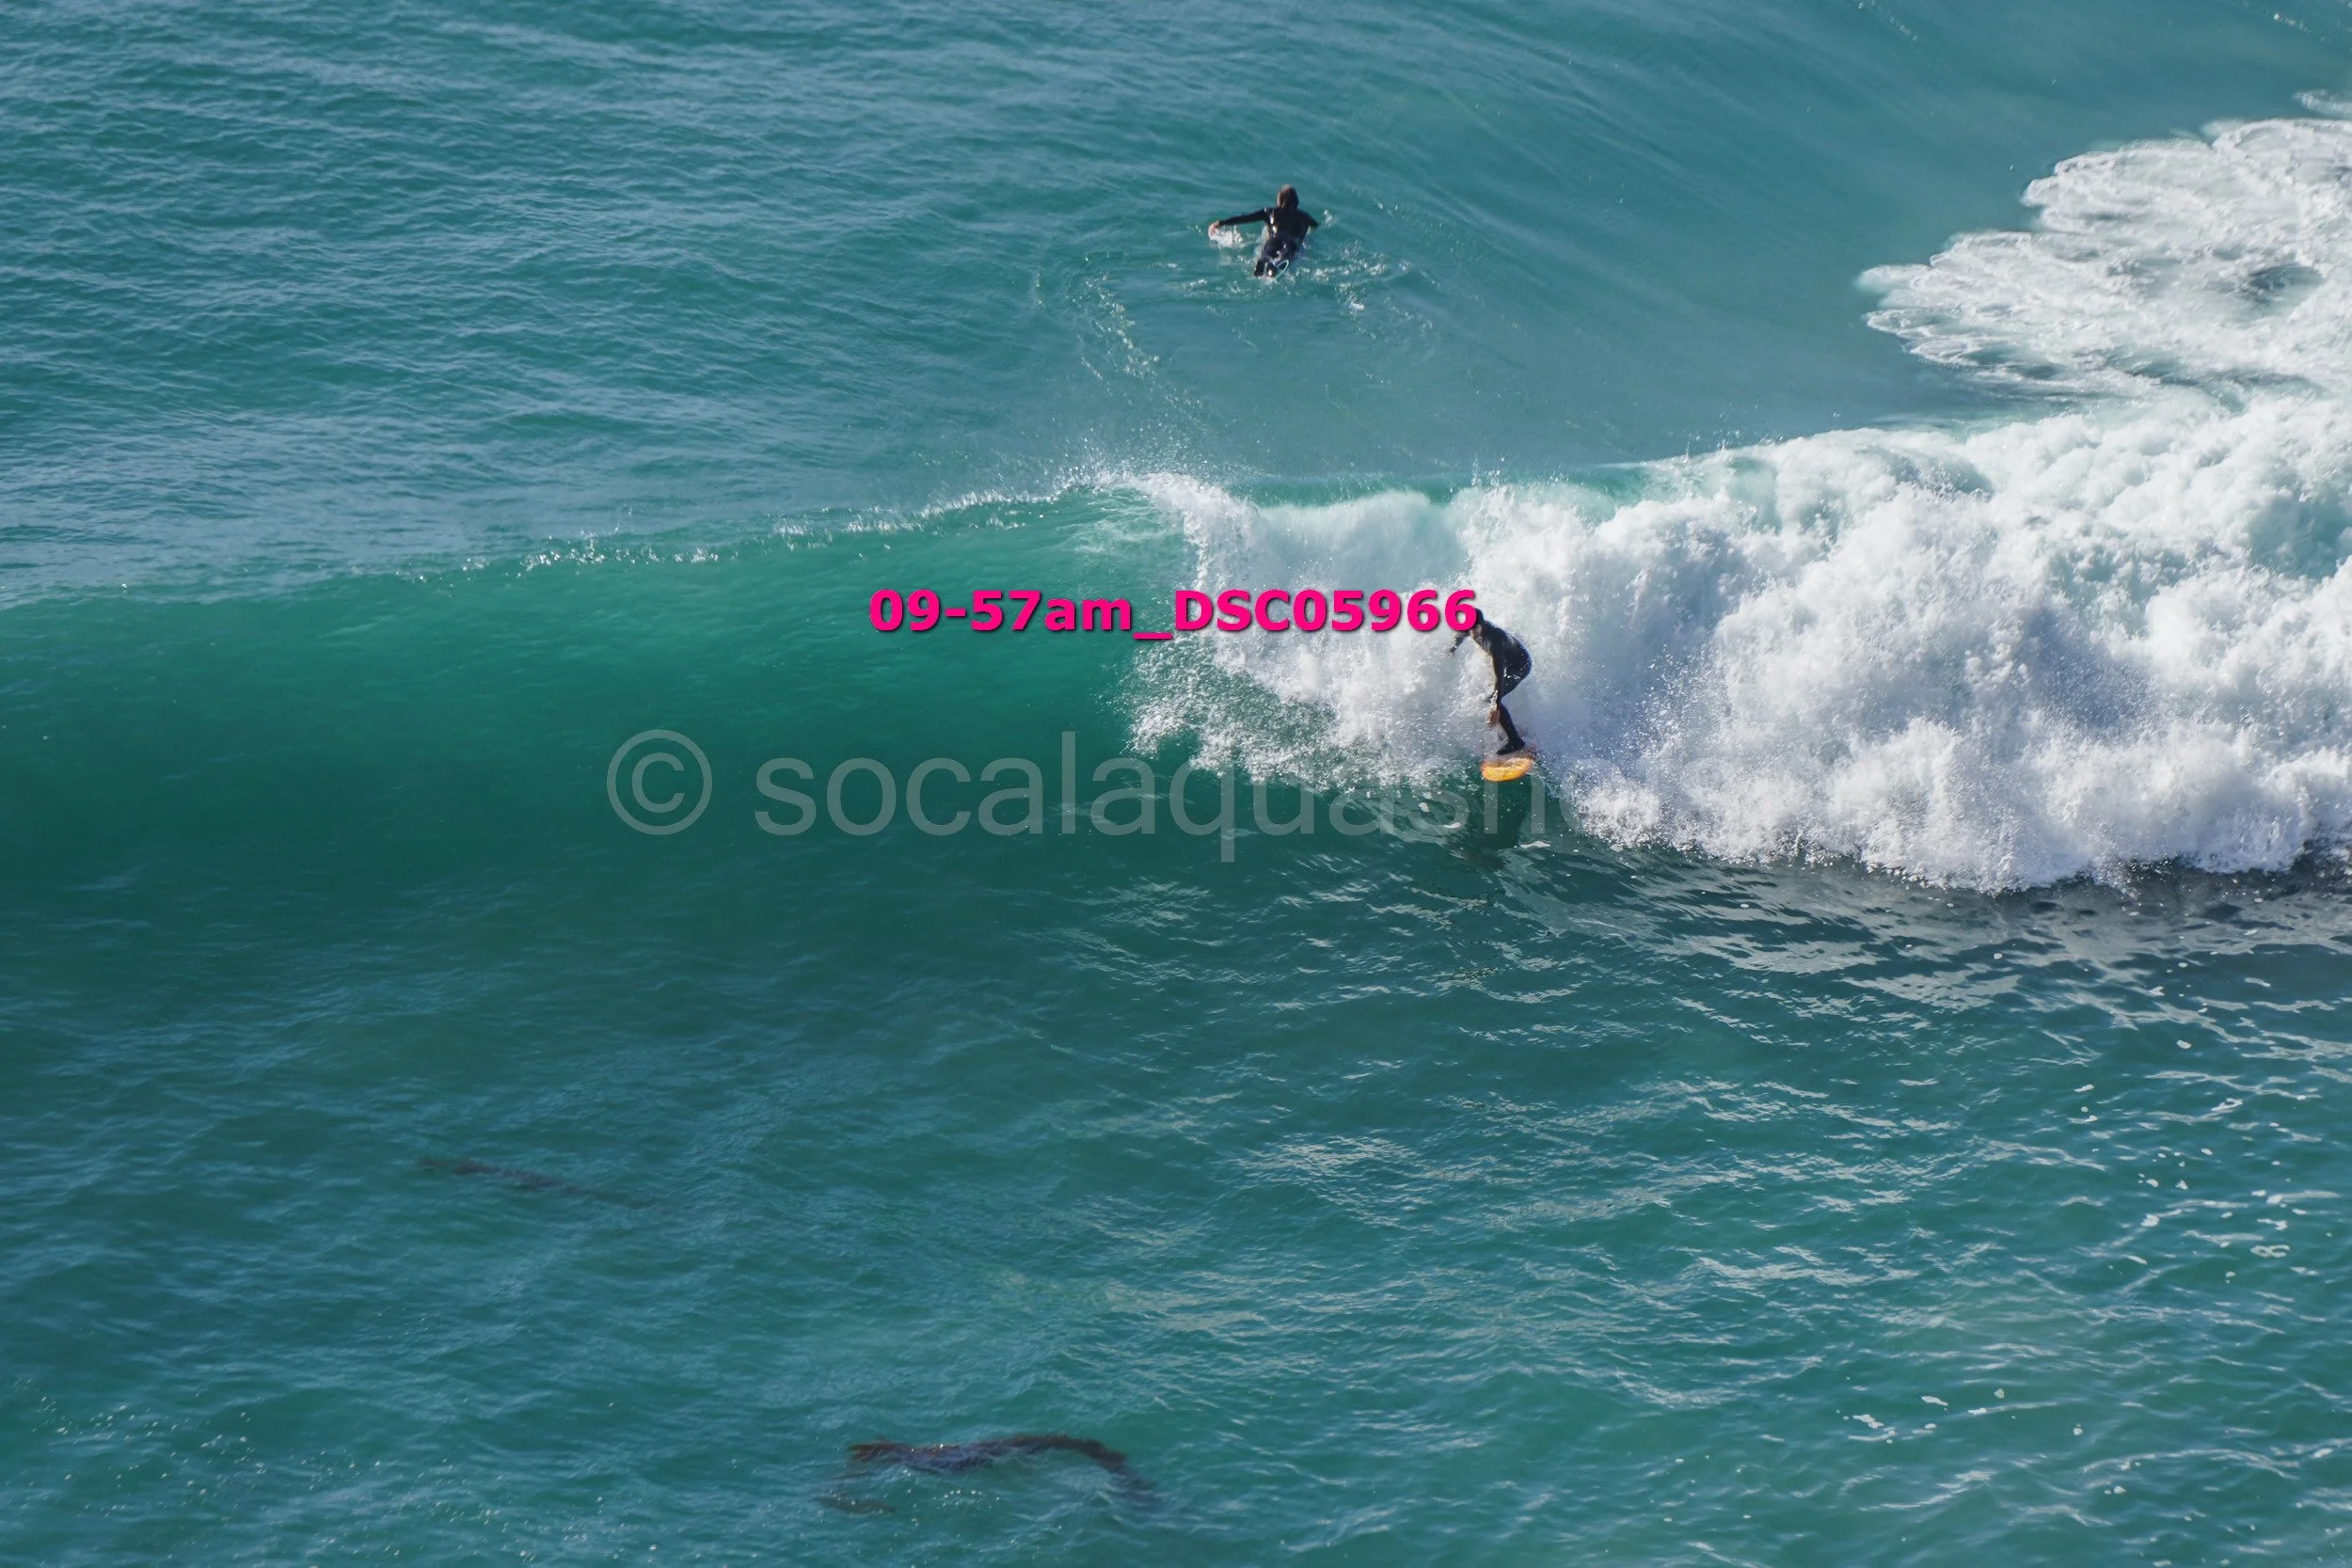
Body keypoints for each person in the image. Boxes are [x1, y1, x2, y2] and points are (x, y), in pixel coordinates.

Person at [1451, 608, 1532, 755]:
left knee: (1493, 700)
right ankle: (1507, 728)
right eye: (1469, 628)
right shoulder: (1469, 627)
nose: (1473, 632)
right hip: (1508, 661)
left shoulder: (1494, 639)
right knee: (1490, 699)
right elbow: (1461, 635)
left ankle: (1516, 742)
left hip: (1520, 666)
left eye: (1475, 627)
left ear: (1481, 624)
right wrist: (1452, 649)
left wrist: (1496, 706)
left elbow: (1499, 676)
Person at [1209, 185, 1319, 277]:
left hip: (1273, 240)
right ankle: (1275, 268)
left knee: (1266, 256)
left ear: (1280, 199)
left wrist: (1220, 223)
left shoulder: (1269, 212)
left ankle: (1262, 263)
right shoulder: (1304, 216)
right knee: (1284, 258)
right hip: (1291, 243)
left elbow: (1245, 218)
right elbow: (1315, 225)